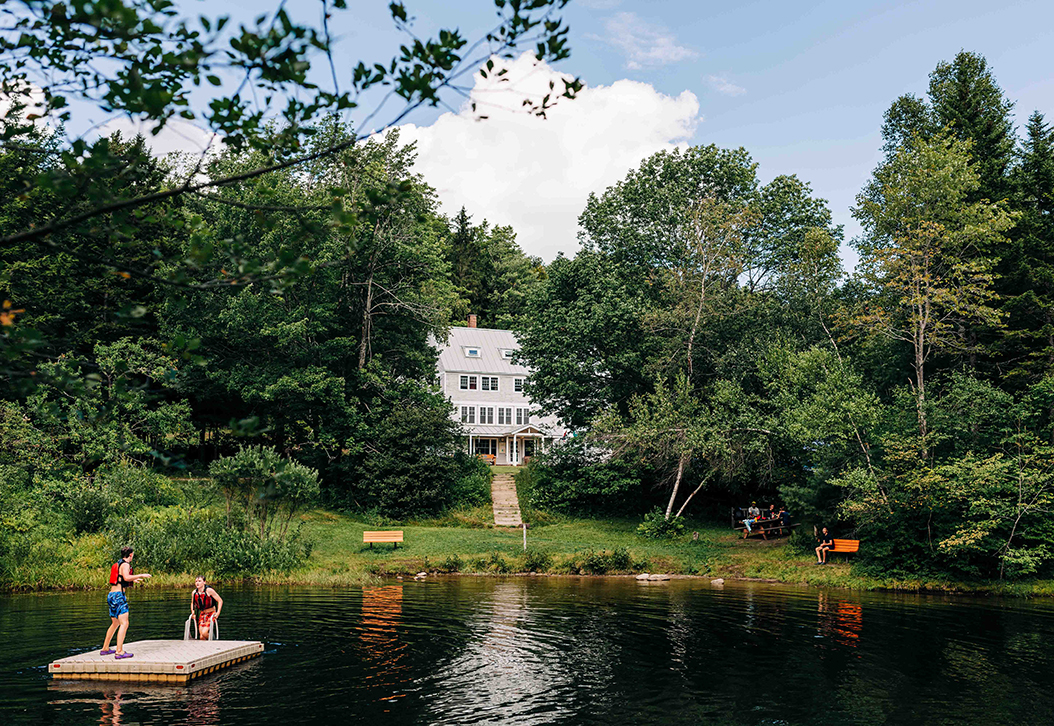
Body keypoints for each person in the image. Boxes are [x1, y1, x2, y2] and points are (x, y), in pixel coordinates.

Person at [101, 546, 151, 658]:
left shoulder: (119, 564)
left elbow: (121, 578)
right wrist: (141, 575)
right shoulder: (126, 564)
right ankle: (119, 651)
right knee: (125, 623)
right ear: (131, 555)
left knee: (115, 623)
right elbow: (126, 577)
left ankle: (105, 648)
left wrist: (134, 579)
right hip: (119, 596)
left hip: (111, 595)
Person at [190, 576, 224, 640]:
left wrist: (218, 612)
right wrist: (193, 612)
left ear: (204, 582)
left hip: (211, 613)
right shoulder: (194, 593)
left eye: (199, 581)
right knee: (201, 636)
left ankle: (214, 642)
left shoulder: (209, 591)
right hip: (202, 614)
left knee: (204, 633)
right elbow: (192, 603)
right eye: (196, 581)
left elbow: (220, 600)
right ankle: (206, 648)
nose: (197, 583)